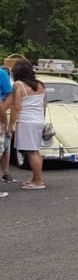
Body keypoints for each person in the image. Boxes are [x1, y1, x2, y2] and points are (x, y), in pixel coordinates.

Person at [8, 59, 46, 189]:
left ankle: (38, 181)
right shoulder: (41, 85)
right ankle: (36, 178)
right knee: (35, 150)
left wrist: (11, 125)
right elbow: (44, 105)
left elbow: (16, 107)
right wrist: (41, 119)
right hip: (38, 120)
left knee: (31, 152)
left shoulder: (18, 85)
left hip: (26, 121)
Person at [0, 62, 14, 190]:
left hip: (1, 113)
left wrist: (2, 112)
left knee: (4, 146)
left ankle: (5, 173)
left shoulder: (1, 74)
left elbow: (9, 95)